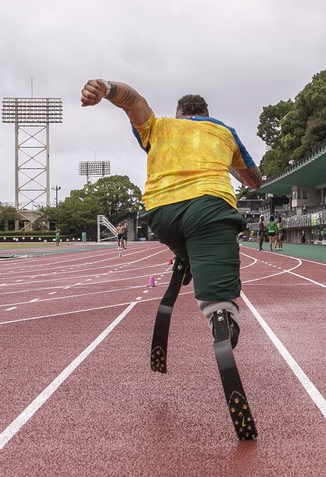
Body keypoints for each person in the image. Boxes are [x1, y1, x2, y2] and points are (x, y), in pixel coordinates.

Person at [80, 78, 262, 342]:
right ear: (206, 115)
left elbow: (133, 100)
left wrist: (105, 89)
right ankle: (220, 315)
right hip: (210, 208)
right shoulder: (224, 131)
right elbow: (254, 181)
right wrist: (229, 162)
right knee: (219, 282)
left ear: (179, 115)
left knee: (185, 235)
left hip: (161, 213)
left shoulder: (161, 125)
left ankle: (186, 257)